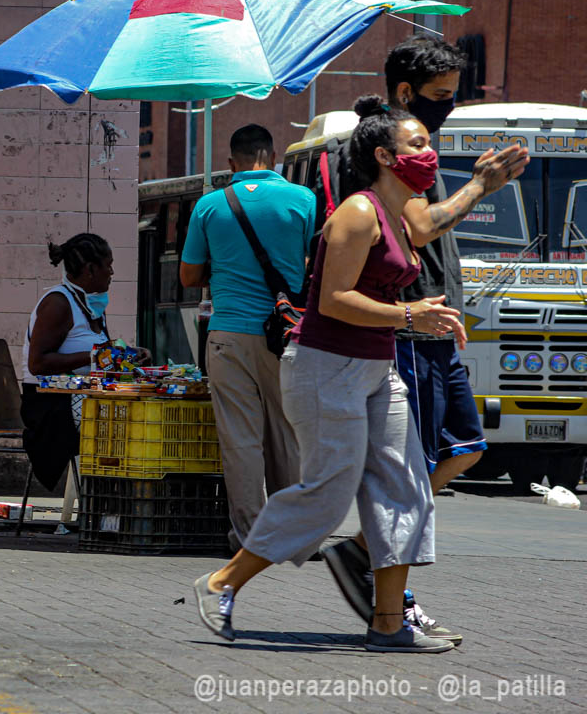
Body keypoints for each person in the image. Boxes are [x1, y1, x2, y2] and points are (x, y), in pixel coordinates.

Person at [193, 96, 469, 653]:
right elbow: (335, 300)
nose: (429, 154)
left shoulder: (399, 213)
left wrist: (483, 184)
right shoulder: (358, 212)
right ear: (386, 156)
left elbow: (428, 228)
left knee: (406, 486)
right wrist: (413, 314)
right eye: (418, 144)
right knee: (326, 493)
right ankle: (221, 582)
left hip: (375, 366)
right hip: (326, 366)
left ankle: (389, 623)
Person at [317, 35, 529, 640]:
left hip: (433, 330)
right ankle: (390, 599)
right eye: (440, 98)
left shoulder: (419, 149)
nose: (448, 110)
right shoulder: (397, 154)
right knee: (407, 472)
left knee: (464, 448)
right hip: (408, 329)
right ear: (405, 94)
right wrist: (480, 186)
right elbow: (422, 227)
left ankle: (361, 551)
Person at [179, 124, 313, 550]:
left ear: (231, 164)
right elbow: (314, 263)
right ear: (272, 158)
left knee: (240, 439)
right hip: (287, 337)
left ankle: (251, 539)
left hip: (228, 336)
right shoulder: (304, 199)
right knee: (288, 435)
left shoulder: (208, 206)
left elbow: (188, 276)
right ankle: (293, 535)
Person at [20, 233, 120, 491]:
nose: (111, 272)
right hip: (51, 404)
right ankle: (102, 501)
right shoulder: (58, 303)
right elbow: (38, 364)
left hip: (80, 395)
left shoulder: (92, 306)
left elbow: (101, 356)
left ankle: (109, 501)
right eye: (108, 265)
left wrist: (128, 356)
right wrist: (93, 356)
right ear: (89, 270)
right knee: (121, 420)